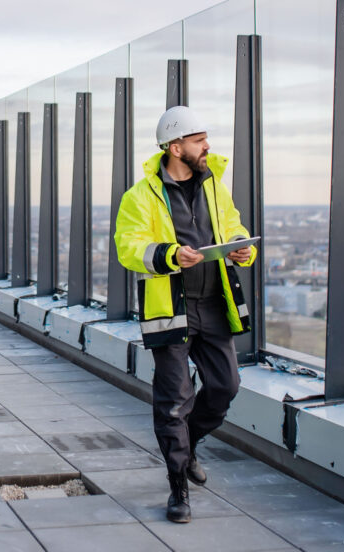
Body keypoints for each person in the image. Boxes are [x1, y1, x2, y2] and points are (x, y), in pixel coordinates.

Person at [113, 106, 255, 523]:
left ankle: (188, 447)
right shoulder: (139, 196)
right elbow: (129, 248)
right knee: (174, 402)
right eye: (198, 140)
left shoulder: (215, 187)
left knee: (225, 387)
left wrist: (243, 246)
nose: (207, 146)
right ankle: (178, 488)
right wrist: (171, 255)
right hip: (170, 311)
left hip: (213, 304)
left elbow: (233, 227)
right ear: (176, 148)